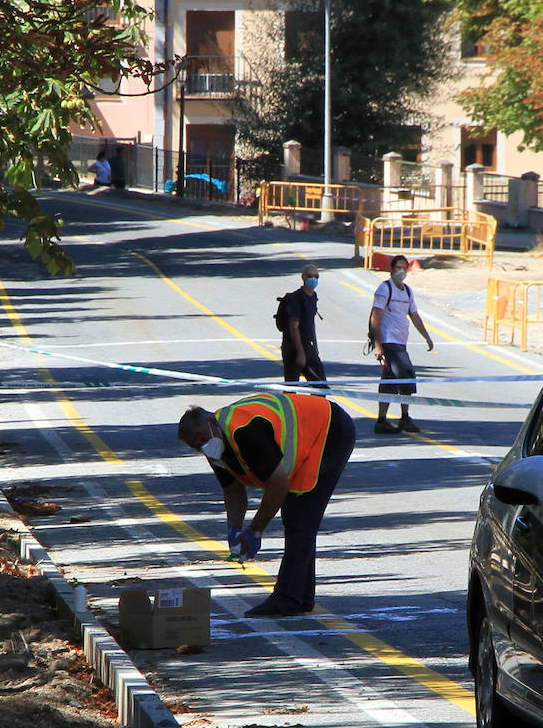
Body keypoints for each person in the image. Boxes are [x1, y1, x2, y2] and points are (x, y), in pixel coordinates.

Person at [178, 392, 356, 617]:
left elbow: (279, 485)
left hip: (329, 429)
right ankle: (301, 597)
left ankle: (287, 599)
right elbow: (233, 491)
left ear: (212, 422)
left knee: (300, 515)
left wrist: (254, 531)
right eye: (196, 446)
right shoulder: (215, 449)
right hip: (312, 435)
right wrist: (234, 530)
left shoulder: (243, 430)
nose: (203, 447)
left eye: (202, 439)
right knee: (298, 517)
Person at [369, 253, 434, 434]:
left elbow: (414, 315)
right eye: (398, 268)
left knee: (393, 380)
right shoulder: (385, 289)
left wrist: (426, 336)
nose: (401, 271)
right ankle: (399, 418)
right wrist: (378, 345)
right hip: (388, 341)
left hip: (401, 341)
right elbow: (376, 317)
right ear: (391, 269)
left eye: (404, 268)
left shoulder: (407, 291)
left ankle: (387, 420)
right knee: (404, 375)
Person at [280, 264, 328, 386]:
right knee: (291, 388)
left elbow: (311, 323)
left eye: (316, 276)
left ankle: (314, 406)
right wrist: (300, 352)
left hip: (308, 346)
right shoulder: (297, 298)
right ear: (303, 277)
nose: (313, 279)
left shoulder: (313, 296)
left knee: (321, 385)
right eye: (310, 276)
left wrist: (315, 347)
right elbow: (293, 326)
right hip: (293, 348)